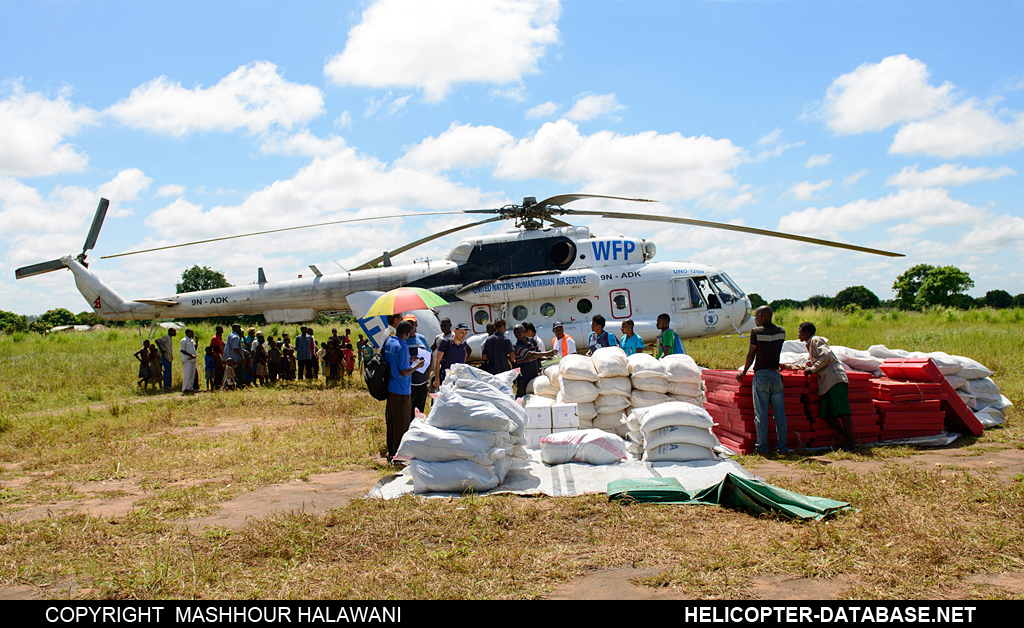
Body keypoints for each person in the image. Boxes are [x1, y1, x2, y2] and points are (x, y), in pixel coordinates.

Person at [737, 305, 788, 455]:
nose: (755, 320)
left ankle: (762, 447)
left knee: (761, 414)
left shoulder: (756, 332)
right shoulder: (781, 331)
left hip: (761, 376)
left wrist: (744, 371)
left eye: (756, 317)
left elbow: (751, 353)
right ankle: (783, 447)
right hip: (776, 375)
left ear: (761, 317)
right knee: (780, 414)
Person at [799, 322, 857, 453]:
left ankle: (851, 443)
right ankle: (849, 439)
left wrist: (812, 369)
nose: (798, 335)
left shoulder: (816, 340)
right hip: (826, 383)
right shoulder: (810, 345)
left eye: (800, 331)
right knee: (825, 413)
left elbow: (827, 356)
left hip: (834, 379)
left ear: (807, 332)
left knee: (843, 412)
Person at [383, 320, 425, 464]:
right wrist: (416, 366)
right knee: (402, 424)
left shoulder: (390, 342)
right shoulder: (402, 346)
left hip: (391, 387)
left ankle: (391, 452)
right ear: (406, 333)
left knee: (393, 422)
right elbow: (404, 372)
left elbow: (394, 361)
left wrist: (409, 359)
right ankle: (399, 456)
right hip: (402, 389)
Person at [513, 323, 555, 398]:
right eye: (515, 333)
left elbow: (537, 355)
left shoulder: (532, 342)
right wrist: (548, 352)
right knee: (521, 397)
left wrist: (546, 358)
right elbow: (530, 355)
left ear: (524, 331)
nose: (517, 334)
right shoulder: (517, 347)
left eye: (519, 331)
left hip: (534, 375)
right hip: (524, 379)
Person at [404, 315, 431, 416]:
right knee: (409, 411)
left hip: (422, 381)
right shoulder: (403, 340)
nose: (411, 326)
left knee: (420, 411)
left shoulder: (421, 338)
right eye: (408, 324)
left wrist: (428, 372)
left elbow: (429, 354)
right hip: (409, 382)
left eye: (412, 323)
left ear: (416, 324)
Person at [433, 322, 469, 388]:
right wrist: (437, 379)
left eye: (466, 333)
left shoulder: (464, 343)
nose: (464, 335)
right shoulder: (445, 342)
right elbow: (437, 361)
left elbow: (465, 355)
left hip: (458, 379)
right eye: (461, 333)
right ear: (455, 331)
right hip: (446, 379)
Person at [180, 328, 198, 394]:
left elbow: (195, 348)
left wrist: (197, 341)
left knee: (192, 374)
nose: (192, 334)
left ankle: (190, 387)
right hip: (187, 360)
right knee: (187, 374)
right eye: (191, 333)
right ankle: (185, 388)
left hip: (192, 360)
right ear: (187, 333)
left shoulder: (191, 340)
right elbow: (182, 350)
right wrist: (190, 355)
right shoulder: (184, 340)